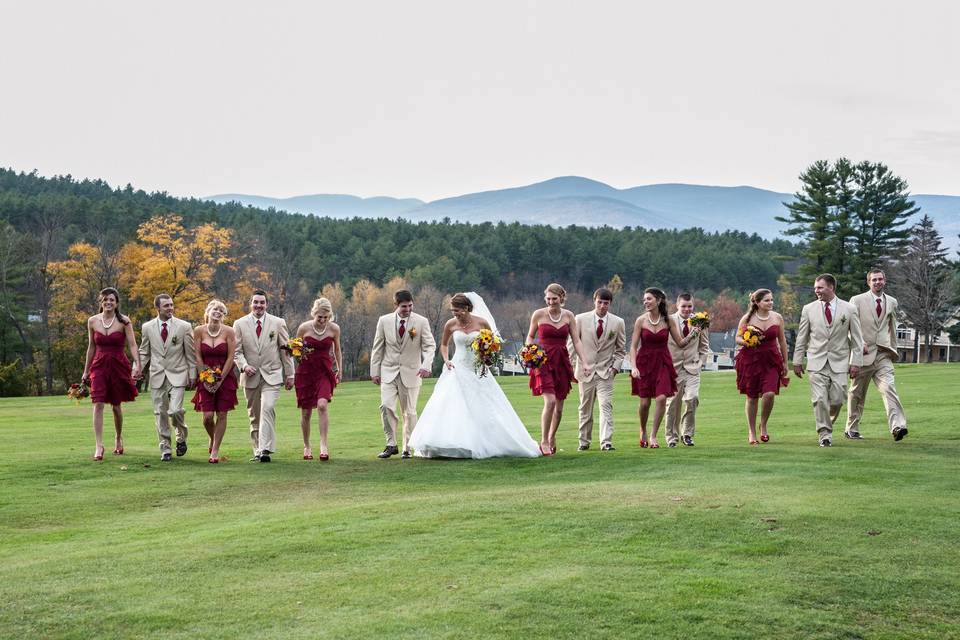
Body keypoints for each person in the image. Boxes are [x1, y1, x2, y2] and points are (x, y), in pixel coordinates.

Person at [409, 293, 540, 458]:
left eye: (458, 310)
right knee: (452, 405)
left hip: (478, 370)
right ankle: (448, 444)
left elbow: (493, 345)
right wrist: (446, 359)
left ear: (467, 308)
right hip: (456, 367)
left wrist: (487, 356)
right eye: (453, 311)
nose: (455, 314)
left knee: (485, 406)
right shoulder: (450, 324)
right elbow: (443, 345)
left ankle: (486, 442)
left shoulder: (482, 322)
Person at [793, 274, 863, 447]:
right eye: (815, 287)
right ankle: (824, 434)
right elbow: (802, 337)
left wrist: (856, 362)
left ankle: (827, 424)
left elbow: (857, 339)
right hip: (816, 362)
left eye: (820, 287)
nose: (816, 290)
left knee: (838, 400)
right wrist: (797, 360)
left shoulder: (849, 309)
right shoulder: (808, 309)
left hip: (840, 362)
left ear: (831, 287)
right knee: (819, 399)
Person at [628, 287, 700, 449]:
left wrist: (693, 334)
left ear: (658, 301)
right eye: (645, 299)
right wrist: (633, 367)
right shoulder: (641, 320)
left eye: (649, 299)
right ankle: (643, 430)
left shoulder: (668, 321)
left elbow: (681, 343)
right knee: (645, 403)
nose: (645, 301)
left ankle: (653, 436)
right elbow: (633, 346)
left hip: (663, 362)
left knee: (661, 398)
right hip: (644, 363)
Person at [526, 283, 592, 456]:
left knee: (560, 408)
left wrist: (584, 362)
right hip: (543, 361)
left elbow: (576, 341)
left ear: (561, 298)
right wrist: (529, 351)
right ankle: (544, 441)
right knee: (550, 402)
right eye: (548, 298)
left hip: (562, 361)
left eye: (554, 299)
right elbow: (530, 336)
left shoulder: (569, 316)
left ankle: (552, 436)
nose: (550, 302)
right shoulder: (538, 314)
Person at [370, 289, 436, 459]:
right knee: (386, 406)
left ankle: (408, 447)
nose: (407, 309)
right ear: (396, 305)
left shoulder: (421, 322)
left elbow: (430, 346)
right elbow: (378, 347)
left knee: (410, 411)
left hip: (412, 372)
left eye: (410, 305)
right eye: (404, 306)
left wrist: (426, 365)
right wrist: (374, 371)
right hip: (388, 372)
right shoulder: (383, 321)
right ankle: (391, 444)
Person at [845, 269, 908, 441]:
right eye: (874, 280)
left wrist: (893, 350)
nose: (877, 282)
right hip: (863, 355)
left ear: (885, 281)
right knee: (856, 394)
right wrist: (858, 344)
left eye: (880, 279)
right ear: (868, 282)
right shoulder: (856, 300)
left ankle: (897, 426)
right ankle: (852, 428)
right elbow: (849, 327)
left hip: (883, 354)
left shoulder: (892, 302)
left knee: (889, 389)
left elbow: (892, 327)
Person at [233, 289, 294, 462]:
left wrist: (290, 374)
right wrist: (244, 366)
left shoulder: (278, 322)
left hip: (272, 375)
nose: (259, 305)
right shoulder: (239, 324)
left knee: (267, 407)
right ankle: (257, 449)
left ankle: (265, 449)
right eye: (256, 302)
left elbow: (286, 351)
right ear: (250, 303)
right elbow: (237, 352)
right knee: (254, 415)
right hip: (250, 376)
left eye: (262, 302)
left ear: (267, 304)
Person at [81, 287, 140, 461]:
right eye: (105, 299)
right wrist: (86, 370)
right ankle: (99, 445)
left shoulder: (124, 321)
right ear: (101, 302)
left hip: (118, 365)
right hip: (98, 365)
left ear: (117, 303)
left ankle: (118, 437)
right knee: (98, 403)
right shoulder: (92, 321)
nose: (108, 302)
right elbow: (91, 347)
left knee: (116, 405)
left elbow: (133, 345)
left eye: (112, 300)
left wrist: (137, 364)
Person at [138, 294, 197, 462]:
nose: (170, 308)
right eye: (166, 306)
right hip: (157, 375)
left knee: (176, 410)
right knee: (160, 413)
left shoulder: (184, 326)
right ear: (158, 308)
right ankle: (165, 448)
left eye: (172, 305)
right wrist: (137, 369)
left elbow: (190, 353)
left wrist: (192, 374)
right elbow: (144, 351)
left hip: (178, 374)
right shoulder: (147, 327)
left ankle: (181, 437)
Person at [573, 287, 626, 451]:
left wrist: (615, 369)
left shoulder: (618, 322)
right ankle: (584, 442)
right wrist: (572, 367)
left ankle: (606, 442)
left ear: (610, 304)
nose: (602, 306)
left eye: (606, 303)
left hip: (606, 373)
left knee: (606, 406)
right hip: (585, 371)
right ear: (594, 301)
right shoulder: (580, 319)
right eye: (600, 302)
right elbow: (573, 344)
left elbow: (620, 349)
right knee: (585, 408)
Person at [734, 289, 788, 445]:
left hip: (771, 360)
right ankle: (751, 432)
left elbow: (782, 341)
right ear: (757, 302)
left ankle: (763, 424)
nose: (770, 302)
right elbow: (737, 337)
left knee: (769, 393)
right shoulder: (748, 318)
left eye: (771, 300)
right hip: (751, 360)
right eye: (766, 300)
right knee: (752, 397)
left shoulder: (777, 318)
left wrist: (785, 362)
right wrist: (746, 341)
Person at [294, 297, 342, 461]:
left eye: (325, 317)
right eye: (319, 317)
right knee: (306, 412)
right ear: (314, 314)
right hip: (306, 372)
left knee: (322, 405)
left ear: (330, 316)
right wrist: (299, 355)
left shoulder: (334, 329)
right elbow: (296, 349)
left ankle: (323, 445)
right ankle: (307, 446)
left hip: (324, 371)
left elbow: (337, 351)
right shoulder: (303, 328)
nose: (322, 320)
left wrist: (339, 369)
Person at [192, 299, 238, 463]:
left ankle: (215, 450)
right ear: (208, 312)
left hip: (225, 377)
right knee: (208, 417)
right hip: (205, 376)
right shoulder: (198, 331)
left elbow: (231, 357)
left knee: (222, 413)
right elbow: (197, 356)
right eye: (215, 309)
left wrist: (220, 380)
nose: (218, 312)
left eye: (221, 311)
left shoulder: (229, 331)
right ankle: (212, 438)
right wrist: (203, 377)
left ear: (223, 316)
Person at [664, 292, 710, 447]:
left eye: (689, 306)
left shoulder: (700, 322)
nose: (686, 309)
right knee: (672, 405)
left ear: (693, 306)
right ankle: (671, 438)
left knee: (692, 398)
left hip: (692, 368)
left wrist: (701, 363)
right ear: (677, 305)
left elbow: (704, 347)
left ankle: (687, 434)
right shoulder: (669, 320)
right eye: (683, 306)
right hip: (673, 368)